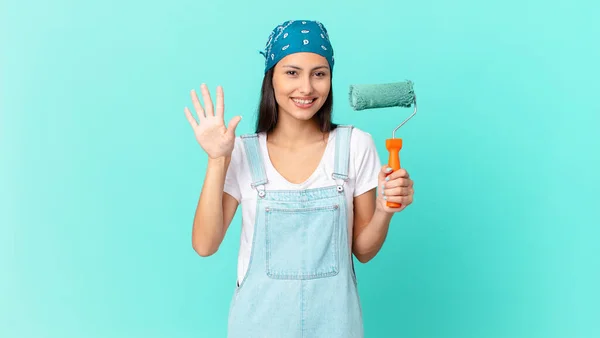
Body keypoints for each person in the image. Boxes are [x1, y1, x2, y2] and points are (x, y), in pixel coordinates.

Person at [184, 19, 414, 338]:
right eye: (292, 72)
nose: (306, 88)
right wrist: (216, 159)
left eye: (319, 74)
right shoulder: (241, 152)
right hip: (257, 326)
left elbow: (362, 249)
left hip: (336, 327)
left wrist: (384, 211)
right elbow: (205, 244)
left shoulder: (355, 145)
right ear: (271, 78)